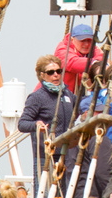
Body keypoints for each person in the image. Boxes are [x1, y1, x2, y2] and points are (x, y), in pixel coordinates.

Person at [18, 55, 77, 184]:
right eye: (51, 72)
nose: (56, 75)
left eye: (58, 71)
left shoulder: (68, 94)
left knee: (64, 197)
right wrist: (36, 124)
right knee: (44, 196)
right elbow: (22, 124)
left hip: (66, 155)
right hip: (45, 156)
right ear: (42, 75)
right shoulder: (36, 97)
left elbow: (79, 110)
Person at [53, 23, 100, 93]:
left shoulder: (94, 49)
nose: (86, 44)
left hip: (76, 97)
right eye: (82, 40)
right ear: (72, 39)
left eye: (89, 40)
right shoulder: (62, 49)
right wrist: (94, 63)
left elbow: (101, 58)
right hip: (56, 97)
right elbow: (72, 63)